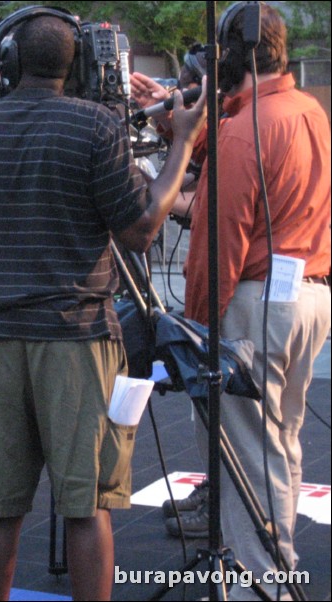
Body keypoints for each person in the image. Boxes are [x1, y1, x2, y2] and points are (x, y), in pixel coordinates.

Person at [0, 8, 207, 601]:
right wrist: (184, 140)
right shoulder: (95, 128)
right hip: (78, 339)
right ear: (77, 64)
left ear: (6, 64)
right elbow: (139, 230)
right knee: (87, 506)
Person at [133, 3, 330, 599]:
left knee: (245, 458)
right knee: (278, 446)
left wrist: (193, 333)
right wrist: (180, 122)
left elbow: (218, 246)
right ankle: (277, 569)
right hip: (306, 300)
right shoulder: (306, 110)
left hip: (256, 303)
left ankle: (258, 587)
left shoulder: (248, 129)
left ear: (229, 57)